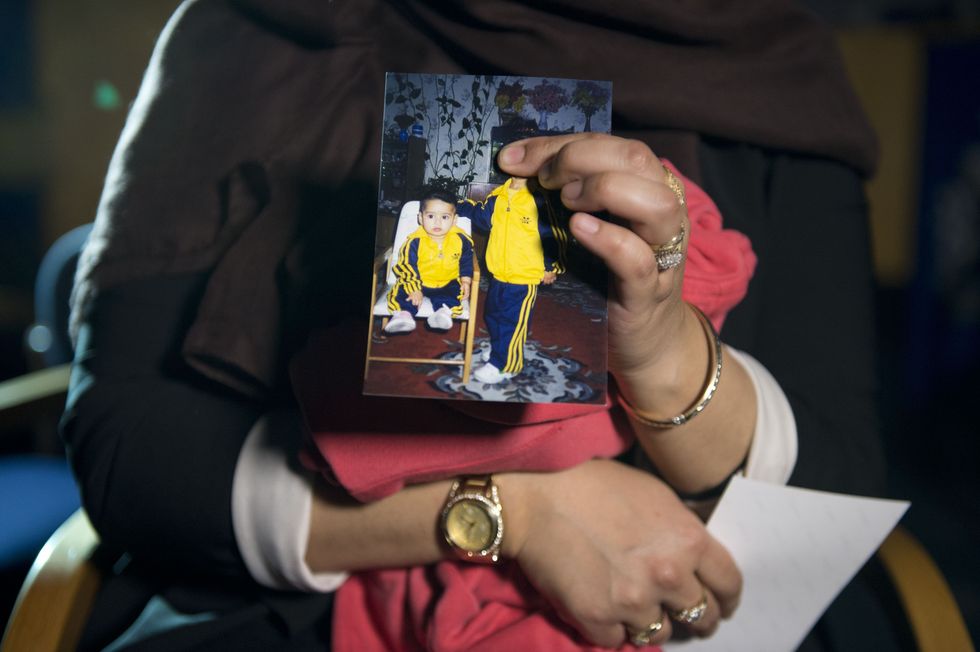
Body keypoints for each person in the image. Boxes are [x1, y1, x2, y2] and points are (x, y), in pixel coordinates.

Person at [61, 1, 887, 651]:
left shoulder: (773, 67)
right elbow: (129, 447)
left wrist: (662, 354)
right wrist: (518, 512)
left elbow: (839, 482)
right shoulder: (251, 31)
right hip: (291, 619)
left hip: (686, 622)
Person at [456, 176, 568, 384]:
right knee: (493, 314)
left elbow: (553, 235)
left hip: (524, 276)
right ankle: (500, 346)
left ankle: (507, 364)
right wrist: (459, 207)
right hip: (499, 272)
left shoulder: (538, 200)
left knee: (512, 321)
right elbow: (480, 216)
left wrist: (551, 266)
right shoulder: (498, 197)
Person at [383, 189, 473, 334]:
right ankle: (404, 315)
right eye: (431, 216)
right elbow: (407, 266)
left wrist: (466, 280)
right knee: (402, 292)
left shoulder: (461, 240)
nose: (437, 222)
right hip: (418, 281)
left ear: (454, 220)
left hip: (447, 282)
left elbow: (466, 261)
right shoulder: (414, 241)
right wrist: (414, 288)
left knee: (454, 293)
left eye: (444, 217)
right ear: (420, 217)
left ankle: (443, 313)